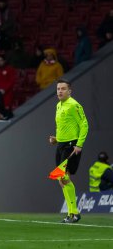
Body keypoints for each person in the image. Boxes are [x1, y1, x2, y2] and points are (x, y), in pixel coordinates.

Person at [49, 79, 88, 223]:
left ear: (69, 91)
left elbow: (84, 124)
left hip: (72, 145)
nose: (60, 91)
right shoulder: (58, 105)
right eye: (58, 88)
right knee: (61, 179)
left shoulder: (74, 105)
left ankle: (74, 213)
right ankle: (71, 214)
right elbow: (64, 127)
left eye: (63, 89)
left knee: (63, 177)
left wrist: (79, 144)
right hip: (61, 145)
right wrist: (56, 139)